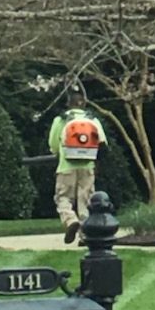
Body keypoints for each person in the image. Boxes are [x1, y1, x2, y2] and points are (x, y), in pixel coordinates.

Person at [48, 90, 108, 244]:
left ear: (68, 104)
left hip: (66, 166)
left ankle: (70, 220)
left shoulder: (61, 120)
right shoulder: (93, 120)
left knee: (63, 197)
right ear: (84, 103)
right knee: (86, 201)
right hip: (87, 165)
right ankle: (85, 234)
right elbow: (103, 144)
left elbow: (54, 145)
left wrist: (58, 153)